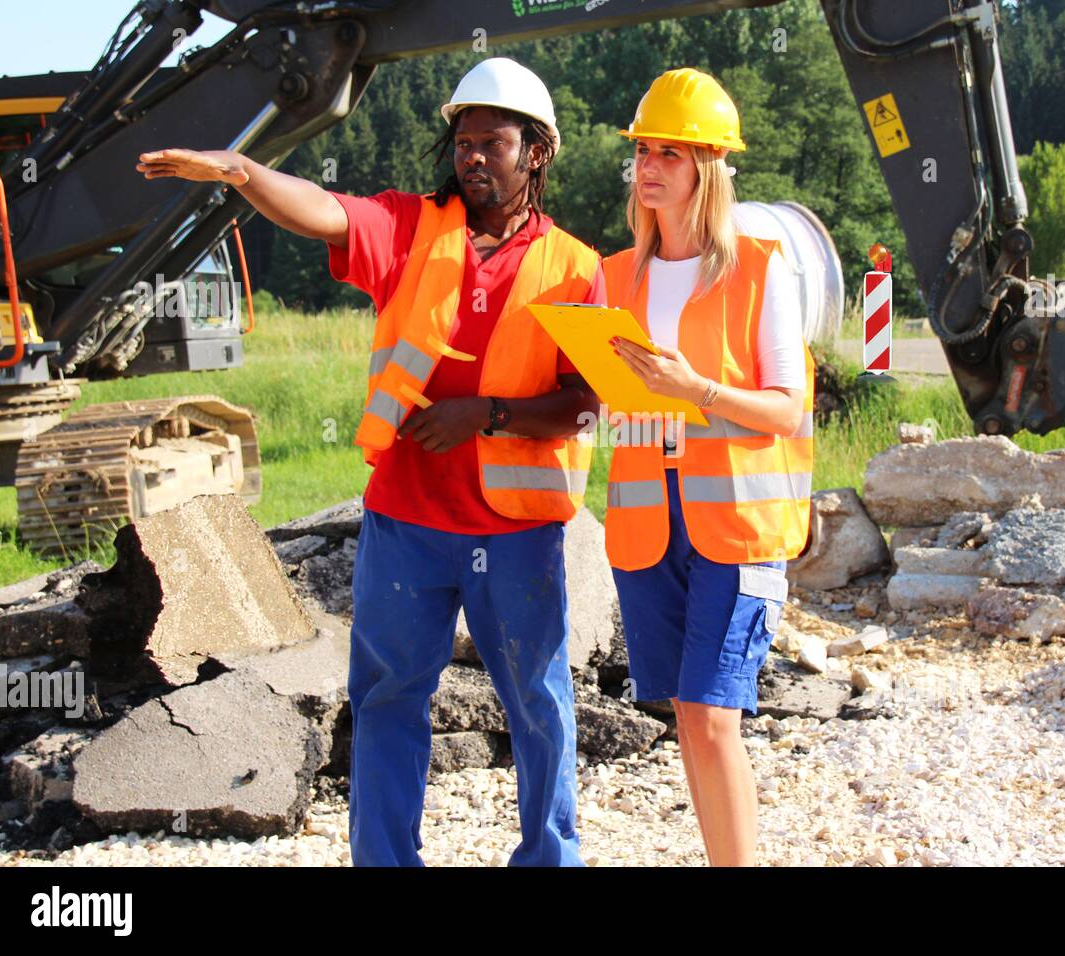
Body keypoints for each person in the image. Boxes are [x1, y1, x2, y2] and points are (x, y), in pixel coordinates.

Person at [136, 57, 603, 867]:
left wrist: (484, 415)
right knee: (388, 699)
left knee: (538, 704)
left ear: (537, 153)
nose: (472, 157)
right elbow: (323, 211)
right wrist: (244, 172)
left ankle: (550, 858)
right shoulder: (409, 227)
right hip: (406, 524)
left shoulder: (576, 268)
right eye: (463, 142)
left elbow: (586, 402)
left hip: (518, 531)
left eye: (493, 143)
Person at [601, 67, 814, 867]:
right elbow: (613, 402)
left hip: (735, 527)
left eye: (674, 153)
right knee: (688, 715)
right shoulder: (616, 276)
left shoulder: (761, 269)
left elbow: (786, 408)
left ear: (711, 168)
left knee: (715, 714)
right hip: (649, 525)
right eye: (645, 150)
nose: (651, 165)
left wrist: (699, 390)